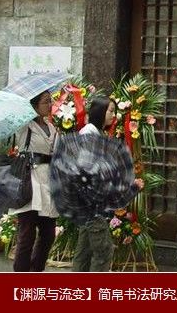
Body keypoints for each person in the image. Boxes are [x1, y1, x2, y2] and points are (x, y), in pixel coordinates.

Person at [10, 90, 58, 272]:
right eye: (46, 101)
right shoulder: (24, 126)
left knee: (48, 234)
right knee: (27, 234)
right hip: (29, 183)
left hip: (47, 183)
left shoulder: (51, 128)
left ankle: (36, 271)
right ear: (35, 105)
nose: (50, 105)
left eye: (50, 101)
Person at [71, 95, 120, 272]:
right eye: (111, 111)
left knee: (84, 250)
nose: (113, 115)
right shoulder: (89, 133)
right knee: (104, 250)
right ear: (100, 111)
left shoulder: (95, 132)